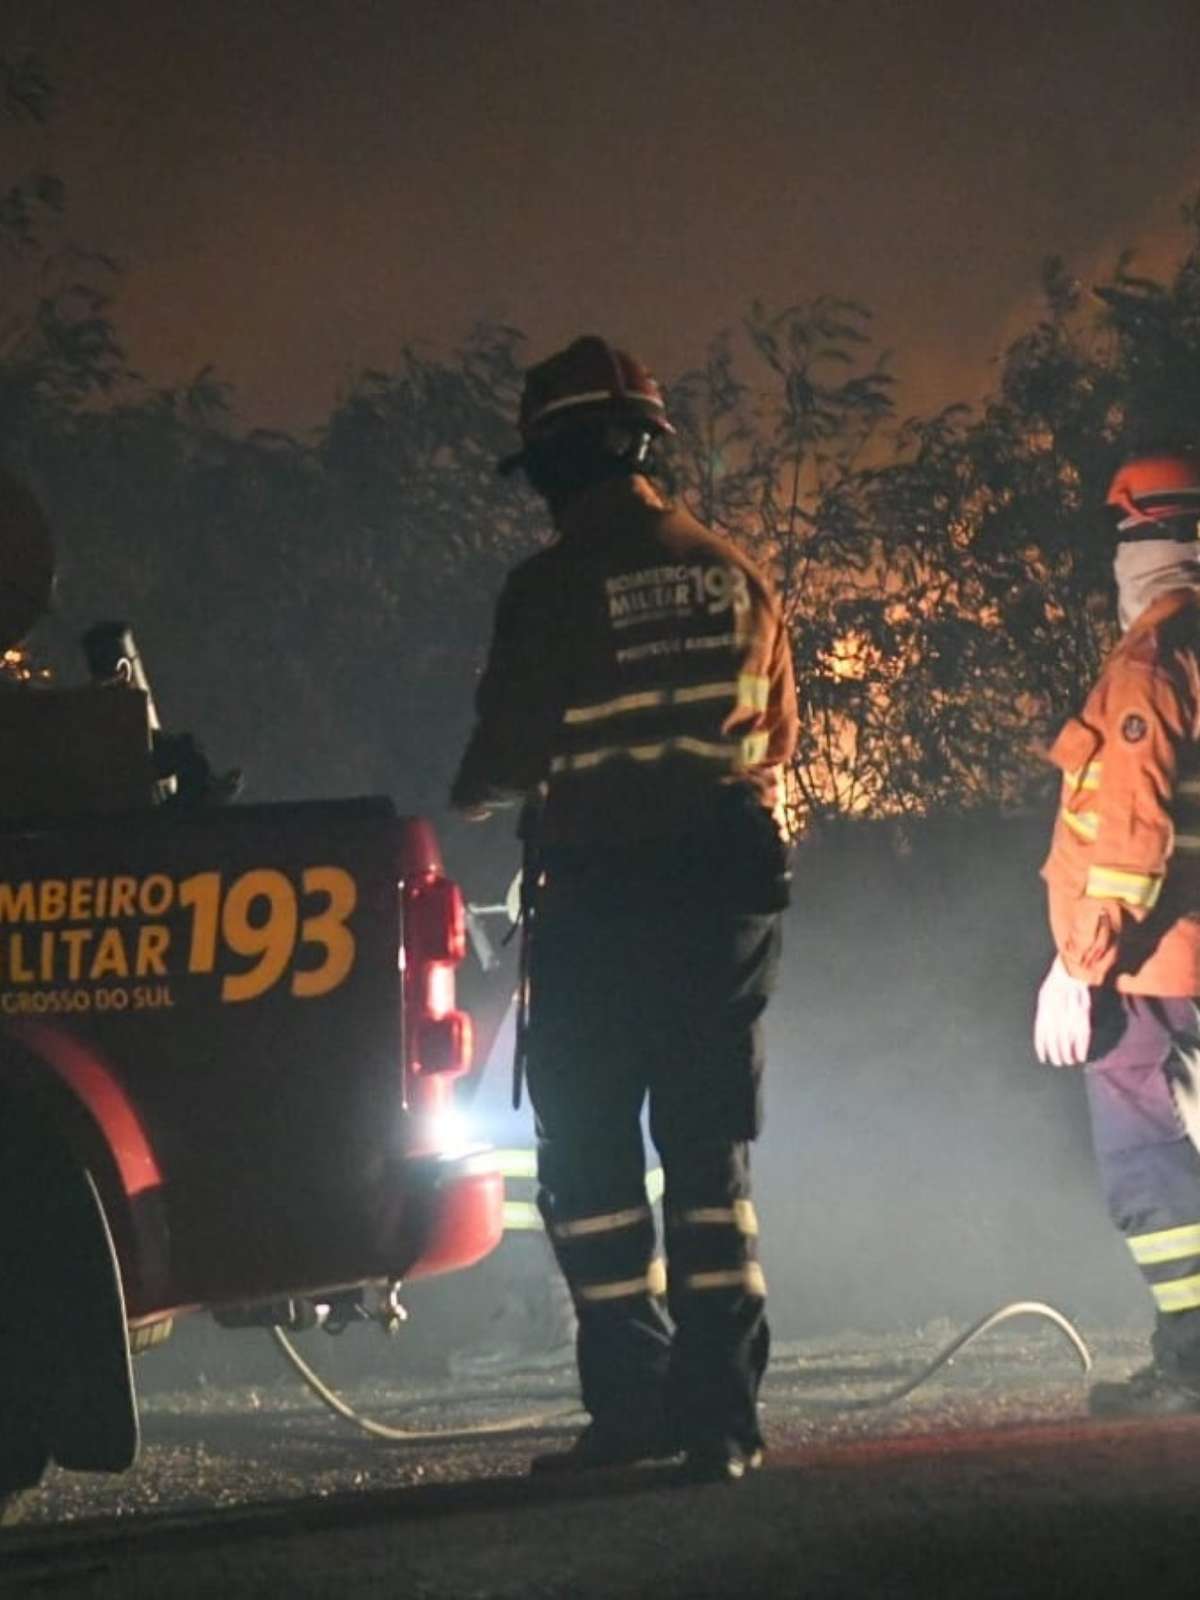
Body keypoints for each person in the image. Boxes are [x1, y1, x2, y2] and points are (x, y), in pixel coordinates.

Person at [450, 336, 797, 1482]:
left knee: (593, 1168)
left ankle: (634, 1409)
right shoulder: (739, 572)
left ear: (554, 460)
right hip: (724, 906)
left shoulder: (549, 588)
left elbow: (499, 761)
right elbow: (777, 743)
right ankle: (723, 1423)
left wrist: (485, 786)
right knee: (710, 1164)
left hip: (603, 903)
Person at [1034, 448, 1200, 1416]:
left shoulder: (1152, 661)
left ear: (1151, 545)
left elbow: (1132, 833)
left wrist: (1076, 966)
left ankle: (1192, 1358)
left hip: (1151, 968)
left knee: (1147, 1162)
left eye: (1126, 538)